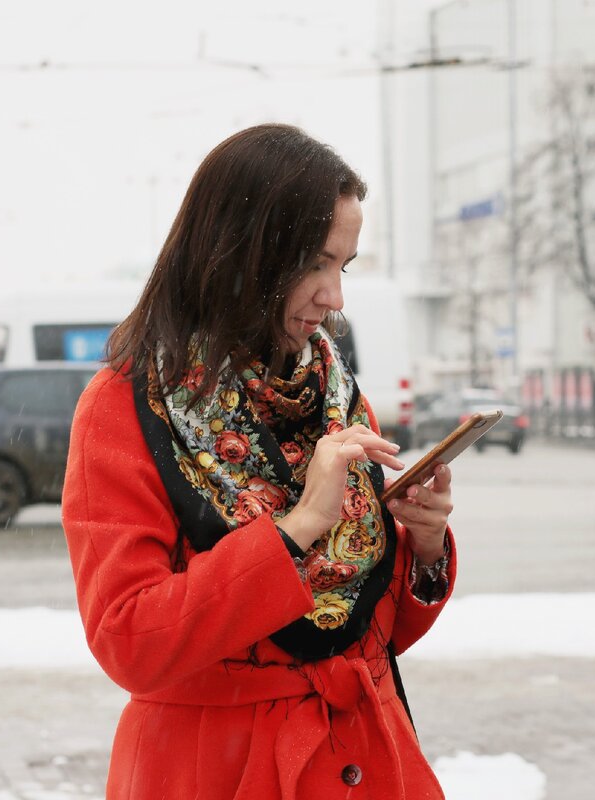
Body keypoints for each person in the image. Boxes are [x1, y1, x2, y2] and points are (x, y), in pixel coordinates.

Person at [62, 123, 456, 800]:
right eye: (314, 264)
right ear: (241, 254)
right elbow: (130, 642)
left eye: (343, 267)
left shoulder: (334, 393)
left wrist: (422, 545)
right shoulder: (124, 406)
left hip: (366, 759)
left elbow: (365, 629)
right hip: (214, 769)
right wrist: (296, 528)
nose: (334, 297)